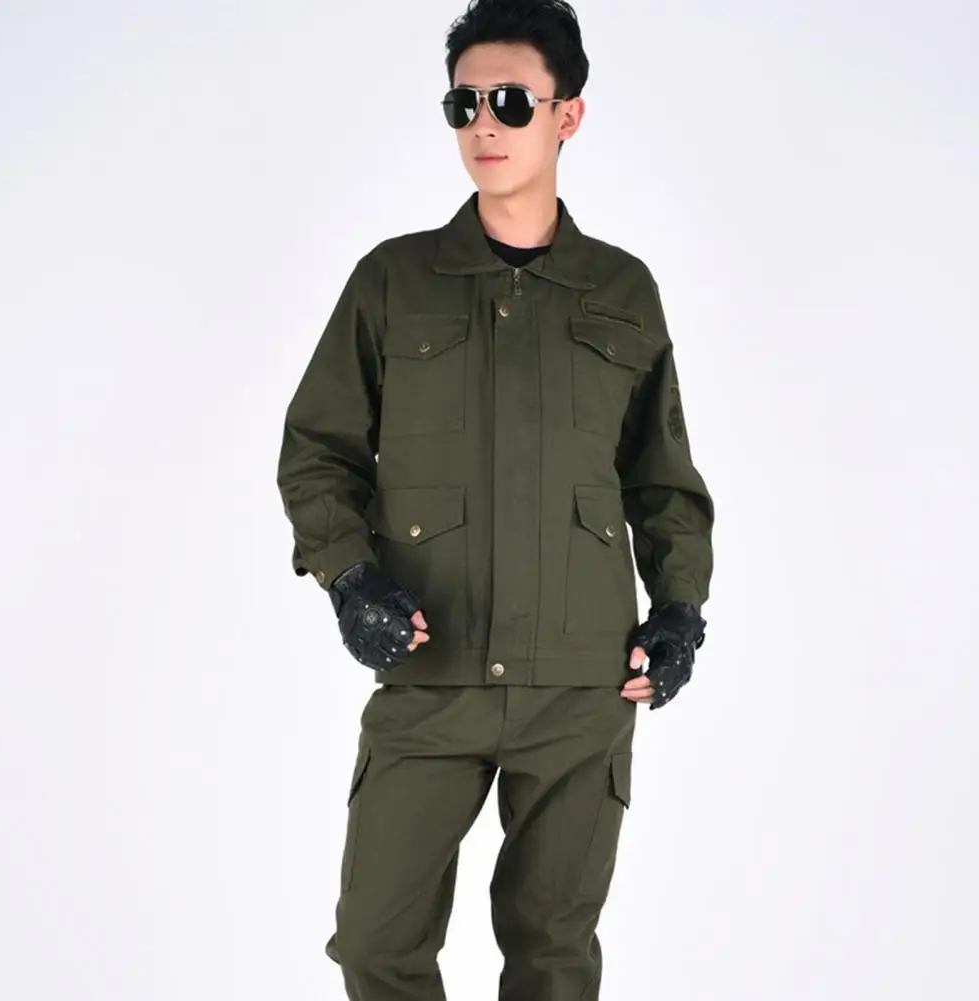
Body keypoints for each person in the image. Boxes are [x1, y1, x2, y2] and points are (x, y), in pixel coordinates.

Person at [275, 1, 714, 997]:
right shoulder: (393, 281)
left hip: (580, 687)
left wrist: (680, 608)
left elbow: (661, 478)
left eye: (510, 101)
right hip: (431, 668)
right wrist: (349, 578)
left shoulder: (621, 291)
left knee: (552, 956)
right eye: (462, 103)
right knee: (375, 943)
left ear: (567, 116)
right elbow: (317, 451)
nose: (483, 123)